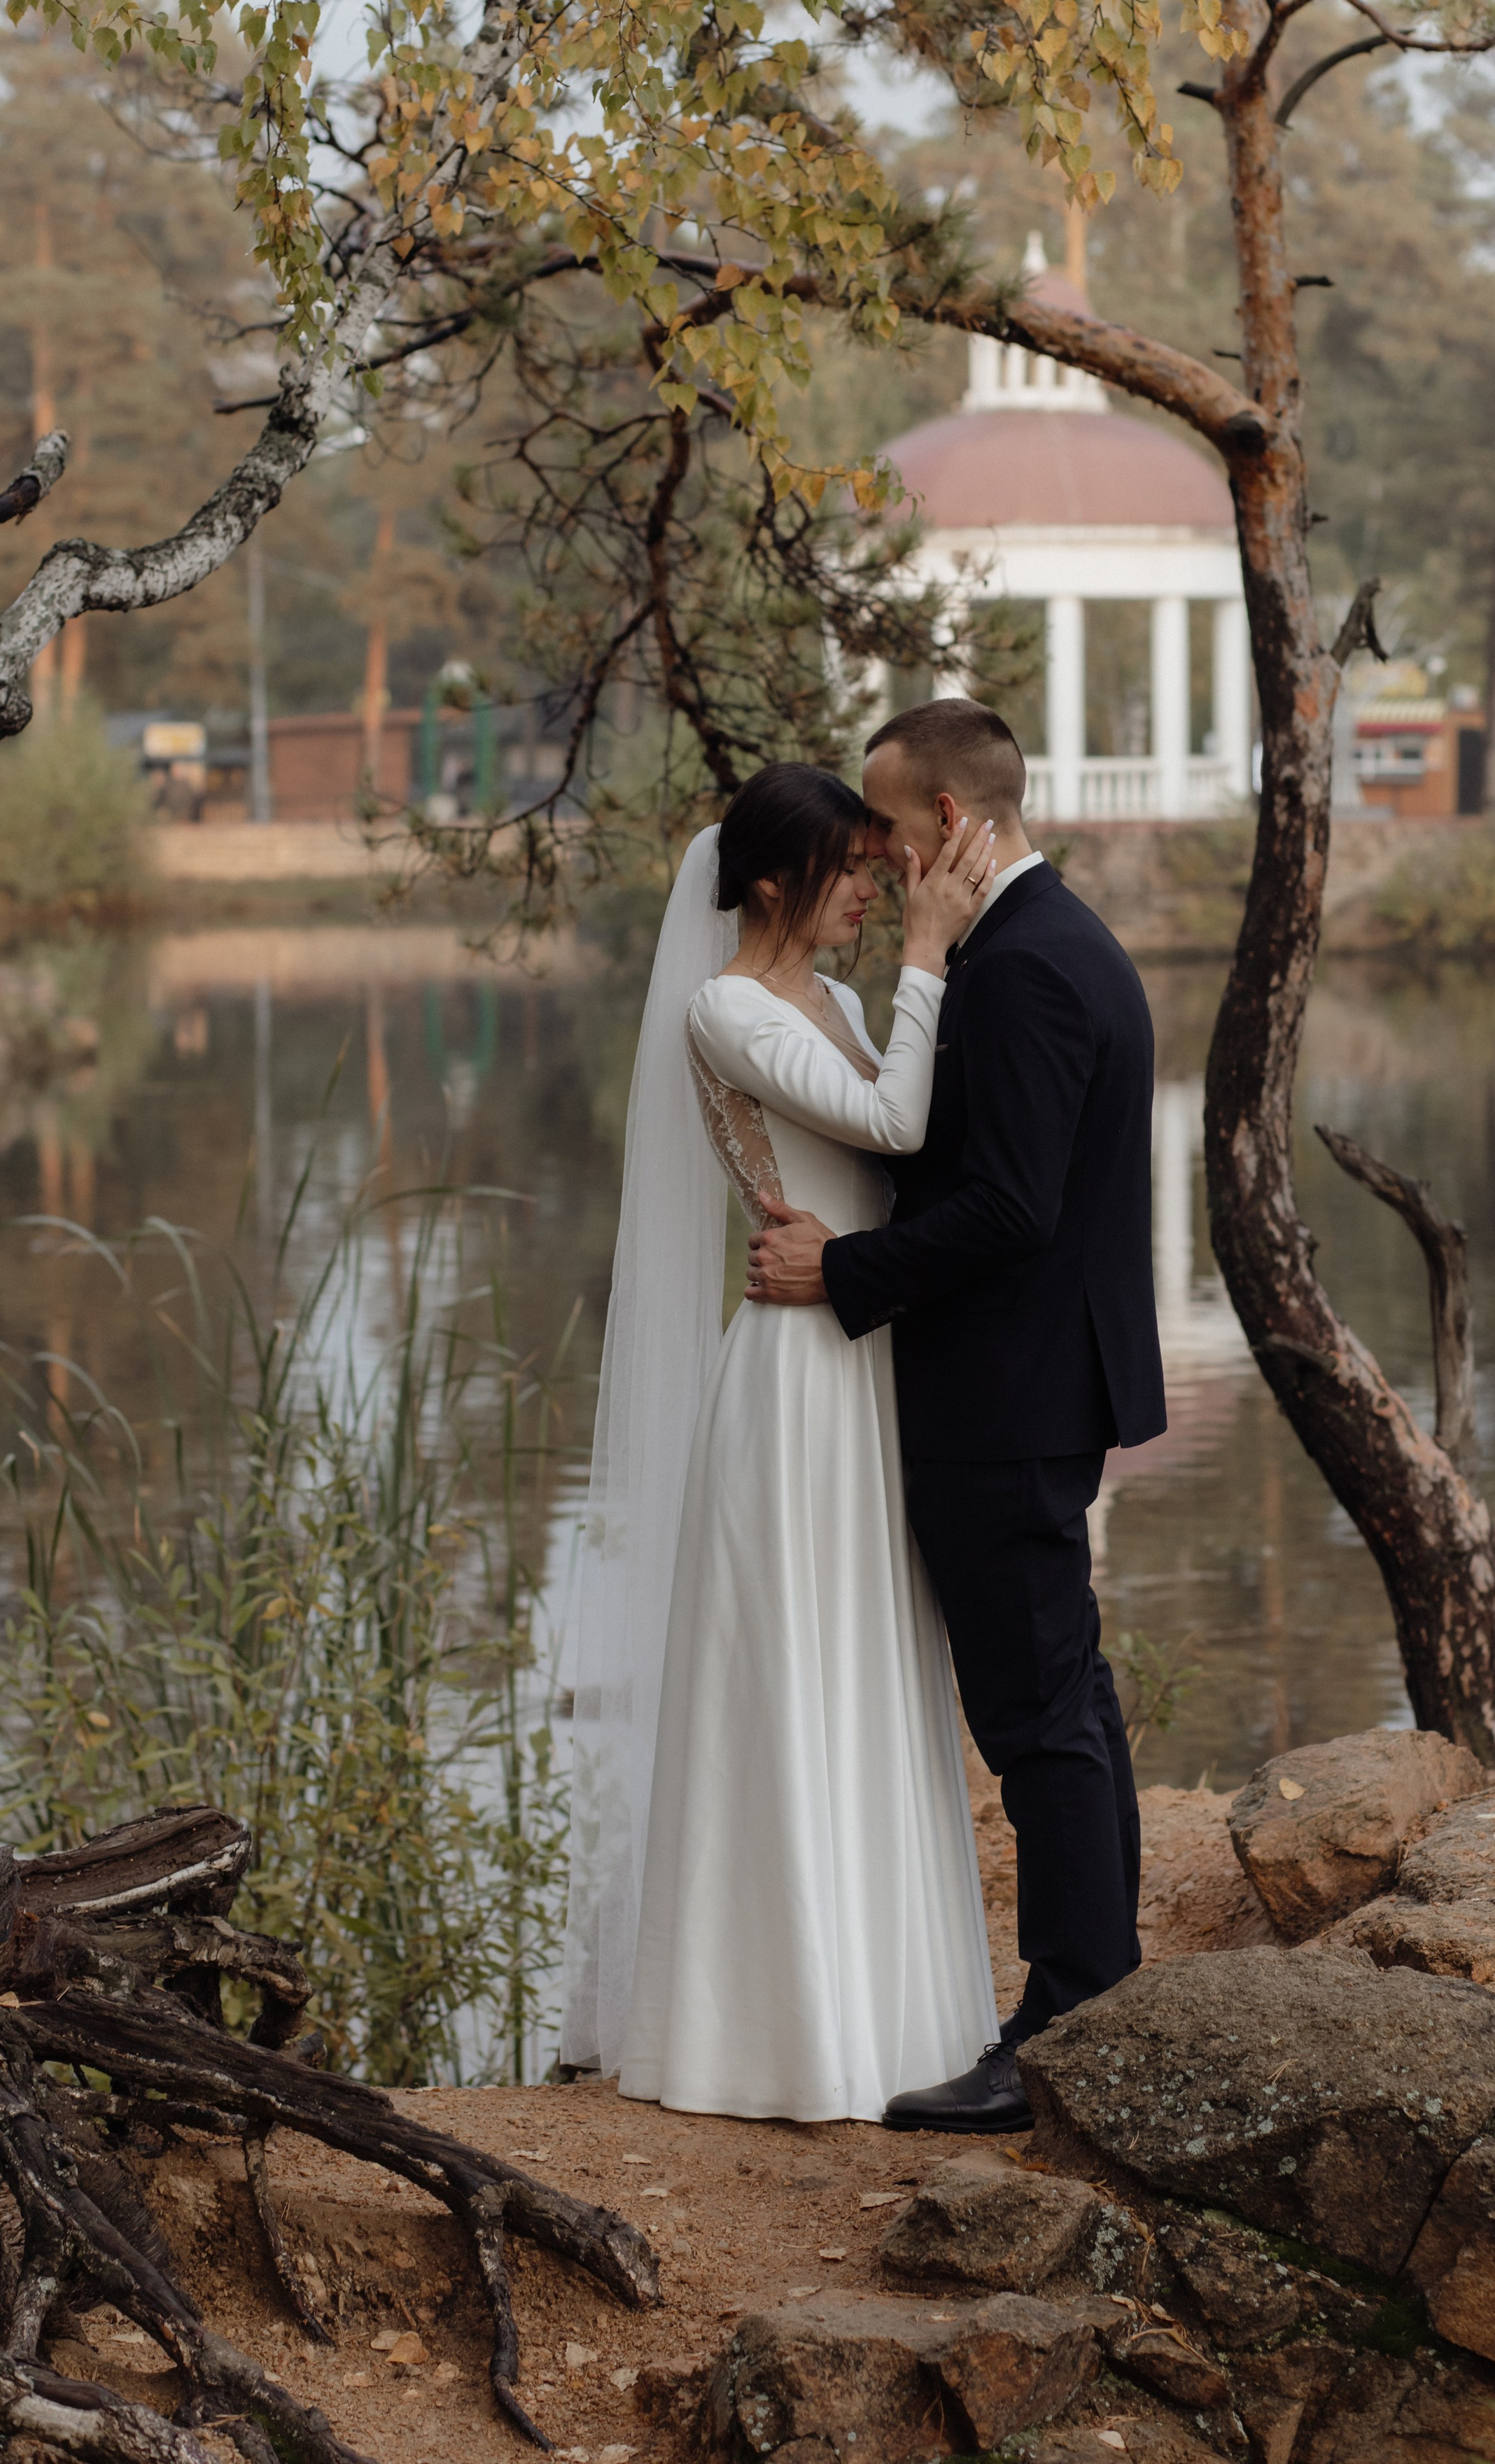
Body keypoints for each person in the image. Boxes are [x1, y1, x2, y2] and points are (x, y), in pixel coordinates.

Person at [748, 697, 1165, 2134]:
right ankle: (1101, 2002)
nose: (868, 848)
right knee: (1065, 1695)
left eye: (881, 822)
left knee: (1036, 1711)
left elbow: (1009, 1206)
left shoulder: (1026, 967)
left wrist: (841, 1269)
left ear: (944, 820)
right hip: (1035, 1380)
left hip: (1008, 1390)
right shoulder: (1044, 941)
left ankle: (1064, 2028)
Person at [561, 762, 1002, 2120]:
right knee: (791, 1671)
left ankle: (892, 2019)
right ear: (768, 880)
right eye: (851, 869)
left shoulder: (848, 1006)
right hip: (794, 1383)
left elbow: (904, 1163)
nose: (871, 889)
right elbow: (892, 1120)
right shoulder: (725, 1008)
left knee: (870, 1666)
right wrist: (932, 951)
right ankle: (778, 2037)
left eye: (878, 869)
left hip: (863, 1356)